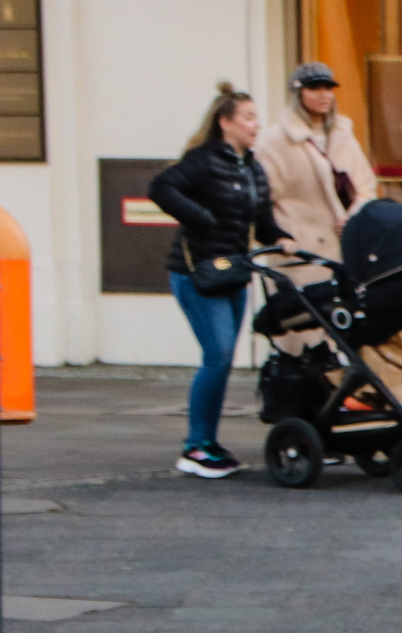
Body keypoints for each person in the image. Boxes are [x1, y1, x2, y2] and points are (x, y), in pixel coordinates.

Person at [149, 83, 287, 480]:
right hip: (197, 274)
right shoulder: (204, 160)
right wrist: (200, 219)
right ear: (226, 123)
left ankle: (207, 441)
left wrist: (279, 237)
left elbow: (261, 219)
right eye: (248, 118)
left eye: (257, 118)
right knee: (219, 355)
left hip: (234, 272)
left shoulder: (251, 166)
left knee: (222, 360)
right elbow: (161, 187)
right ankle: (195, 447)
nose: (255, 125)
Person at [252, 62, 371, 282]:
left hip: (344, 248)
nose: (324, 95)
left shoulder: (343, 133)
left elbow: (366, 187)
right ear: (298, 93)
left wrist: (352, 218)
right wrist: (281, 238)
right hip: (300, 253)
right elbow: (262, 201)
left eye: (328, 88)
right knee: (304, 314)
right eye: (314, 88)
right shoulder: (275, 141)